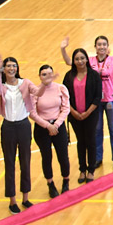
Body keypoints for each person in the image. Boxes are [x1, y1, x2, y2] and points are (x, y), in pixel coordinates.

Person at [61, 35, 113, 169]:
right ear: (95, 47)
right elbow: (70, 62)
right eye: (99, 44)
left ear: (108, 47)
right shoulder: (89, 60)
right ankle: (98, 158)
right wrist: (63, 49)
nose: (101, 47)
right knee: (97, 130)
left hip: (111, 99)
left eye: (104, 44)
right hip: (95, 102)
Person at [0, 56, 35, 214]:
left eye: (14, 66)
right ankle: (12, 200)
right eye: (8, 66)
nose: (11, 68)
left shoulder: (25, 83)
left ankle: (25, 197)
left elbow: (37, 92)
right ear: (4, 69)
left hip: (24, 125)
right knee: (9, 164)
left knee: (25, 161)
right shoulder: (2, 86)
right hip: (8, 127)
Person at [29, 65, 71, 197]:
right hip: (42, 129)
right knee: (46, 157)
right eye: (44, 74)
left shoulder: (61, 88)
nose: (47, 76)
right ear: (39, 76)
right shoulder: (35, 92)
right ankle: (50, 184)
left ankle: (66, 180)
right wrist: (48, 126)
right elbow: (32, 112)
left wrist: (56, 124)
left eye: (49, 73)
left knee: (63, 156)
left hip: (58, 127)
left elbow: (66, 108)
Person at [62, 48, 101, 183]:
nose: (80, 61)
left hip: (90, 114)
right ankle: (82, 170)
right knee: (81, 141)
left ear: (87, 59)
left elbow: (98, 96)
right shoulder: (68, 76)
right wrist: (73, 112)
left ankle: (91, 170)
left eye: (82, 58)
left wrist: (87, 113)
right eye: (77, 59)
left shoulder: (94, 75)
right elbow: (64, 97)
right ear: (73, 61)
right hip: (75, 116)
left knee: (90, 141)